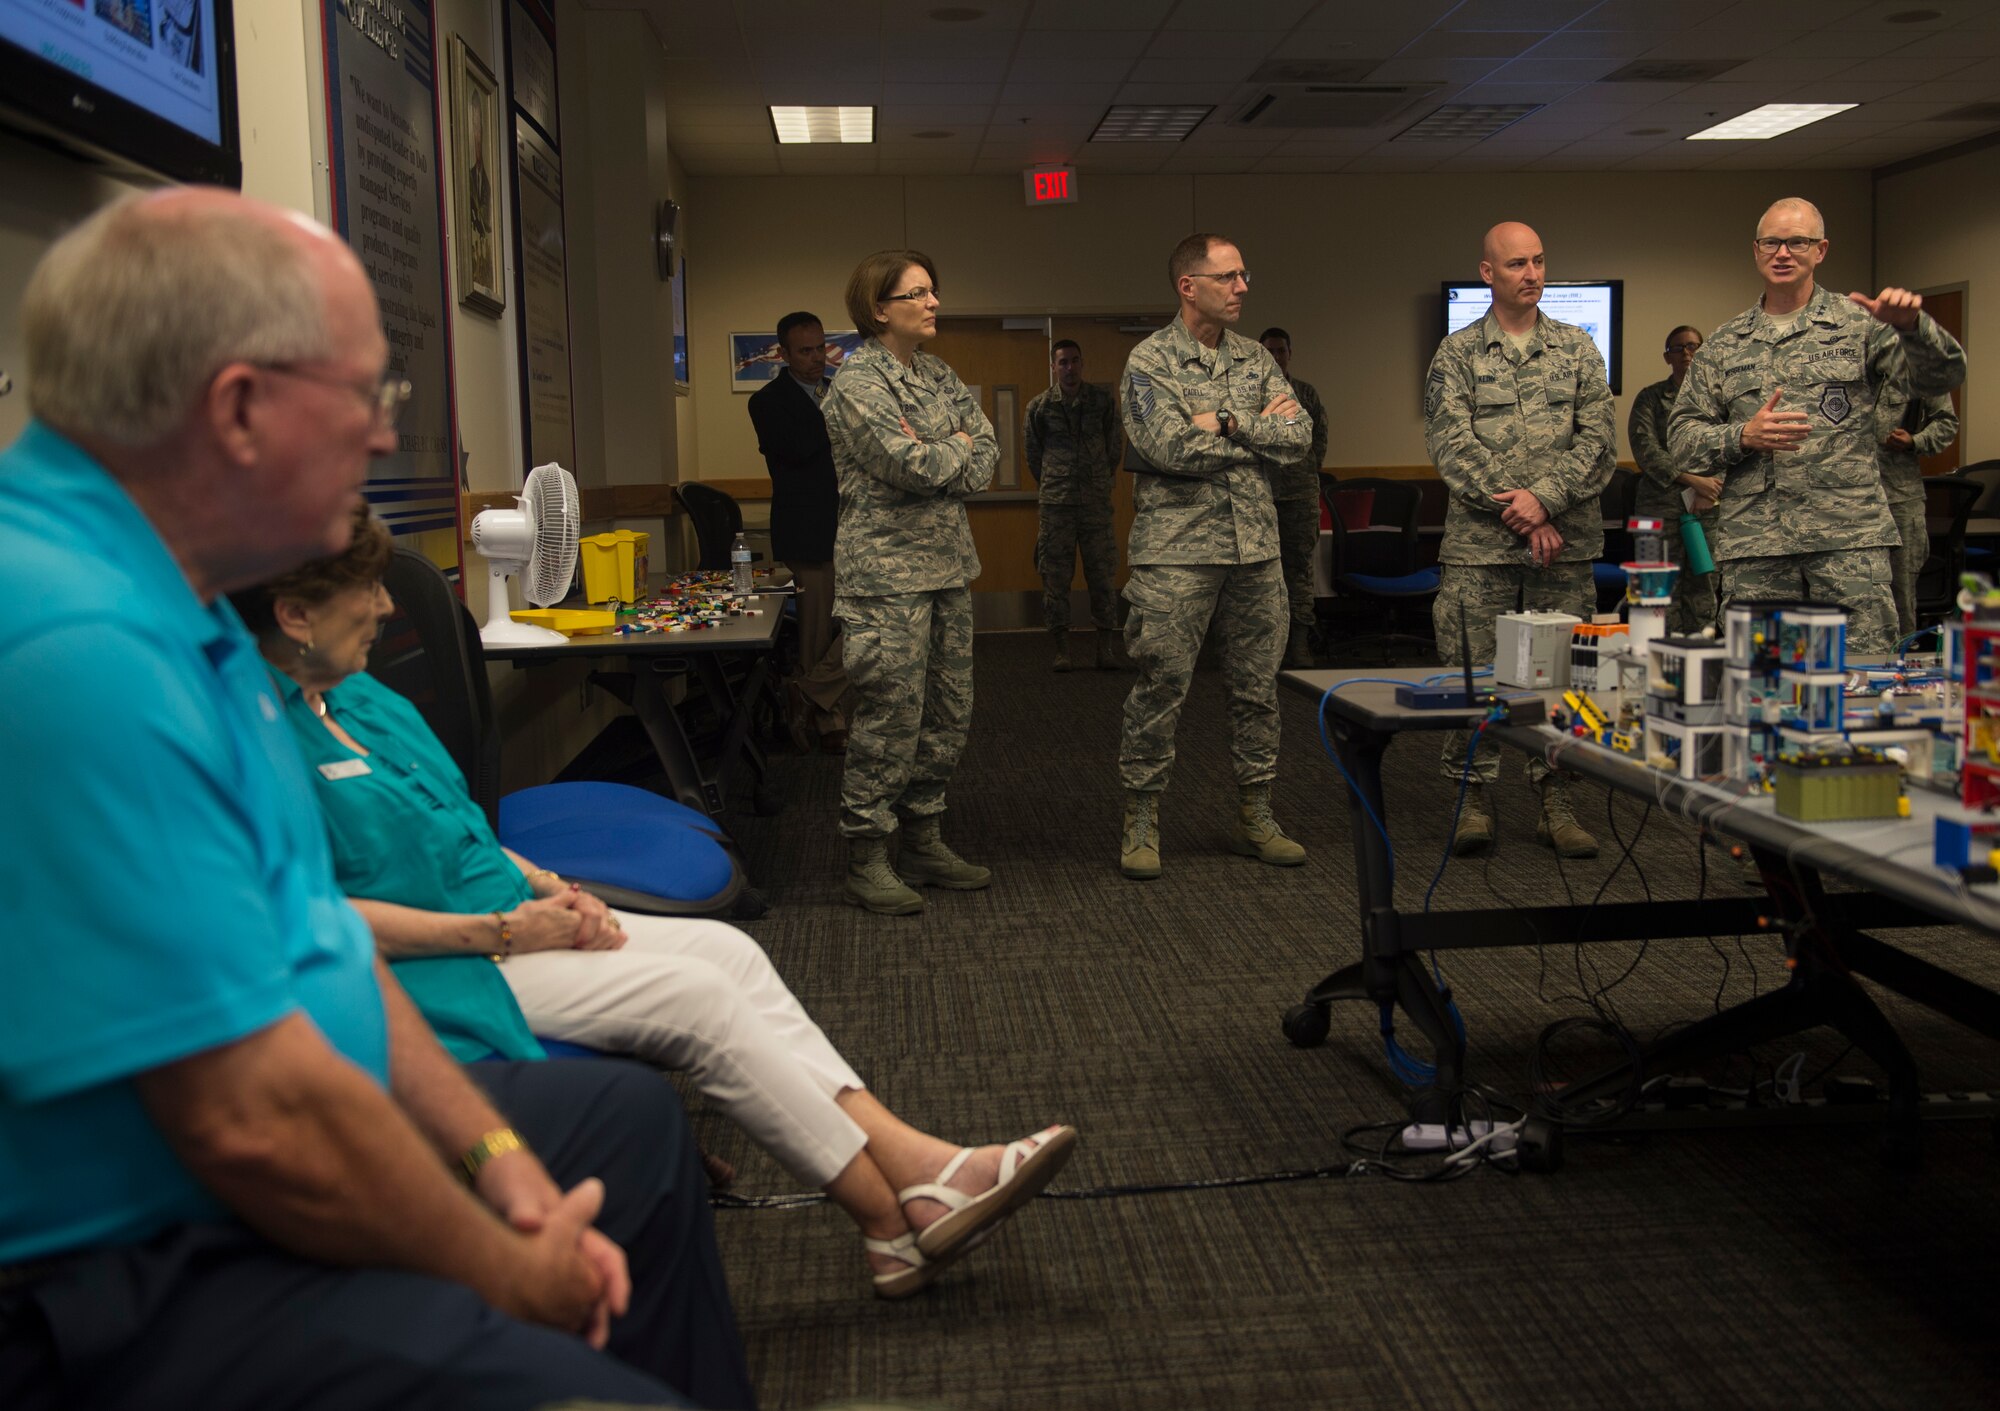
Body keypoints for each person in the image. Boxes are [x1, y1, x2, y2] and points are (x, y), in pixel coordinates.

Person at [0, 189, 750, 1409]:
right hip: (118, 1269)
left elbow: (319, 949)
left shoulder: (189, 613)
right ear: (239, 408)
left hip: (227, 1184)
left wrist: (498, 1158)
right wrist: (504, 1267)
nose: (382, 437)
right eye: (368, 398)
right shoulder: (71, 646)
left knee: (624, 1138)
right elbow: (251, 1121)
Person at [230, 506, 1076, 1301]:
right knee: (699, 999)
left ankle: (915, 1176)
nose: (387, 607)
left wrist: (549, 886)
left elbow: (464, 830)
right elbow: (317, 922)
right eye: (365, 591)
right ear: (296, 615)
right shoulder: (258, 742)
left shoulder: (364, 698)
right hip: (437, 967)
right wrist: (508, 926)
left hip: (509, 919)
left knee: (732, 953)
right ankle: (893, 1210)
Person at [1668, 197, 1967, 653]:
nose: (1782, 253)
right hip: (1757, 550)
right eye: (1772, 242)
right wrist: (1742, 435)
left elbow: (1944, 376)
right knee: (1759, 689)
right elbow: (1683, 442)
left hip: (1848, 544)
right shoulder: (1725, 344)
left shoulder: (1861, 326)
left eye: (1797, 242)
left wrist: (1914, 328)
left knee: (1862, 681)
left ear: (1820, 250)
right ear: (1756, 250)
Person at [1116, 233, 1311, 881]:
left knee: (1258, 689)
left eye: (1243, 275)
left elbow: (1299, 435)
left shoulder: (1256, 357)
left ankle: (1256, 812)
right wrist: (1257, 431)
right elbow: (1165, 447)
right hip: (1176, 556)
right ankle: (1142, 816)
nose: (1242, 287)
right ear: (1188, 285)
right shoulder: (1149, 361)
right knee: (1161, 686)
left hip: (1256, 552)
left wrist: (1225, 423)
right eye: (1228, 277)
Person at [1424, 221, 1616, 859]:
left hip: (1564, 549)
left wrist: (1548, 501)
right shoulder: (1456, 355)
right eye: (1515, 265)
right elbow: (1453, 448)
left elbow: (1598, 443)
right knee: (1475, 678)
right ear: (1488, 273)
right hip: (1482, 550)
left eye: (1538, 262)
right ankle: (1472, 800)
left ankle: (1557, 804)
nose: (1531, 274)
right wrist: (1524, 509)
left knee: (1563, 685)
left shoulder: (1580, 348)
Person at [822, 251, 998, 915]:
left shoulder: (937, 373)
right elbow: (912, 466)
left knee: (948, 712)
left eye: (933, 290)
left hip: (948, 567)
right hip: (885, 578)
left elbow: (986, 451)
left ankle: (923, 837)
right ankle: (868, 854)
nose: (933, 303)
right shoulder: (858, 384)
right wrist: (951, 448)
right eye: (917, 293)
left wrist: (950, 448)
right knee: (890, 716)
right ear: (878, 308)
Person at [748, 311, 849, 753]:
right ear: (783, 354)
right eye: (805, 351)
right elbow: (796, 452)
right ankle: (827, 722)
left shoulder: (839, 393)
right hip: (807, 530)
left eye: (820, 348)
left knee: (869, 625)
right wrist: (834, 413)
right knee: (816, 633)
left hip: (853, 528)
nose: (816, 359)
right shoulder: (768, 401)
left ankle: (806, 692)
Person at [1025, 339, 1122, 672]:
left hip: (1095, 505)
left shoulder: (1102, 402)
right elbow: (1033, 455)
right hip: (1057, 506)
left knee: (1103, 576)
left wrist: (1095, 479)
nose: (1069, 368)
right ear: (1053, 367)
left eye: (1075, 361)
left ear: (1083, 363)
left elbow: (1113, 448)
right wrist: (1057, 480)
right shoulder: (1039, 407)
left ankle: (1105, 648)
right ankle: (1061, 649)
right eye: (1063, 362)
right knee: (1055, 579)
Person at [1627, 326, 1721, 636]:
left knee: (1704, 587)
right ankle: (1650, 659)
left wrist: (1710, 486)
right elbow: (1645, 450)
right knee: (1652, 589)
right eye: (1678, 348)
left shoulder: (1717, 398)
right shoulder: (1650, 398)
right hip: (1658, 509)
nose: (1687, 353)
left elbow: (1730, 444)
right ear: (1667, 356)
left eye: (1693, 346)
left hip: (1705, 508)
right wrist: (1691, 479)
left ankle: (1701, 659)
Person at [1257, 327, 1330, 670]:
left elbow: (1320, 441)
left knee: (1299, 572)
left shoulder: (1305, 394)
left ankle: (1299, 643)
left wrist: (1304, 472)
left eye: (1280, 351)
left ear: (1290, 353)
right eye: (1269, 351)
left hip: (1299, 496)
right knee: (1261, 575)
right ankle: (1266, 646)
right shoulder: (1250, 396)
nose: (1275, 357)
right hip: (1261, 496)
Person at [1875, 378, 1959, 636]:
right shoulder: (1839, 359)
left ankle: (1901, 666)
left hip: (1898, 497)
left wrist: (1915, 440)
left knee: (1901, 594)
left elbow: (1946, 423)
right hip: (1843, 500)